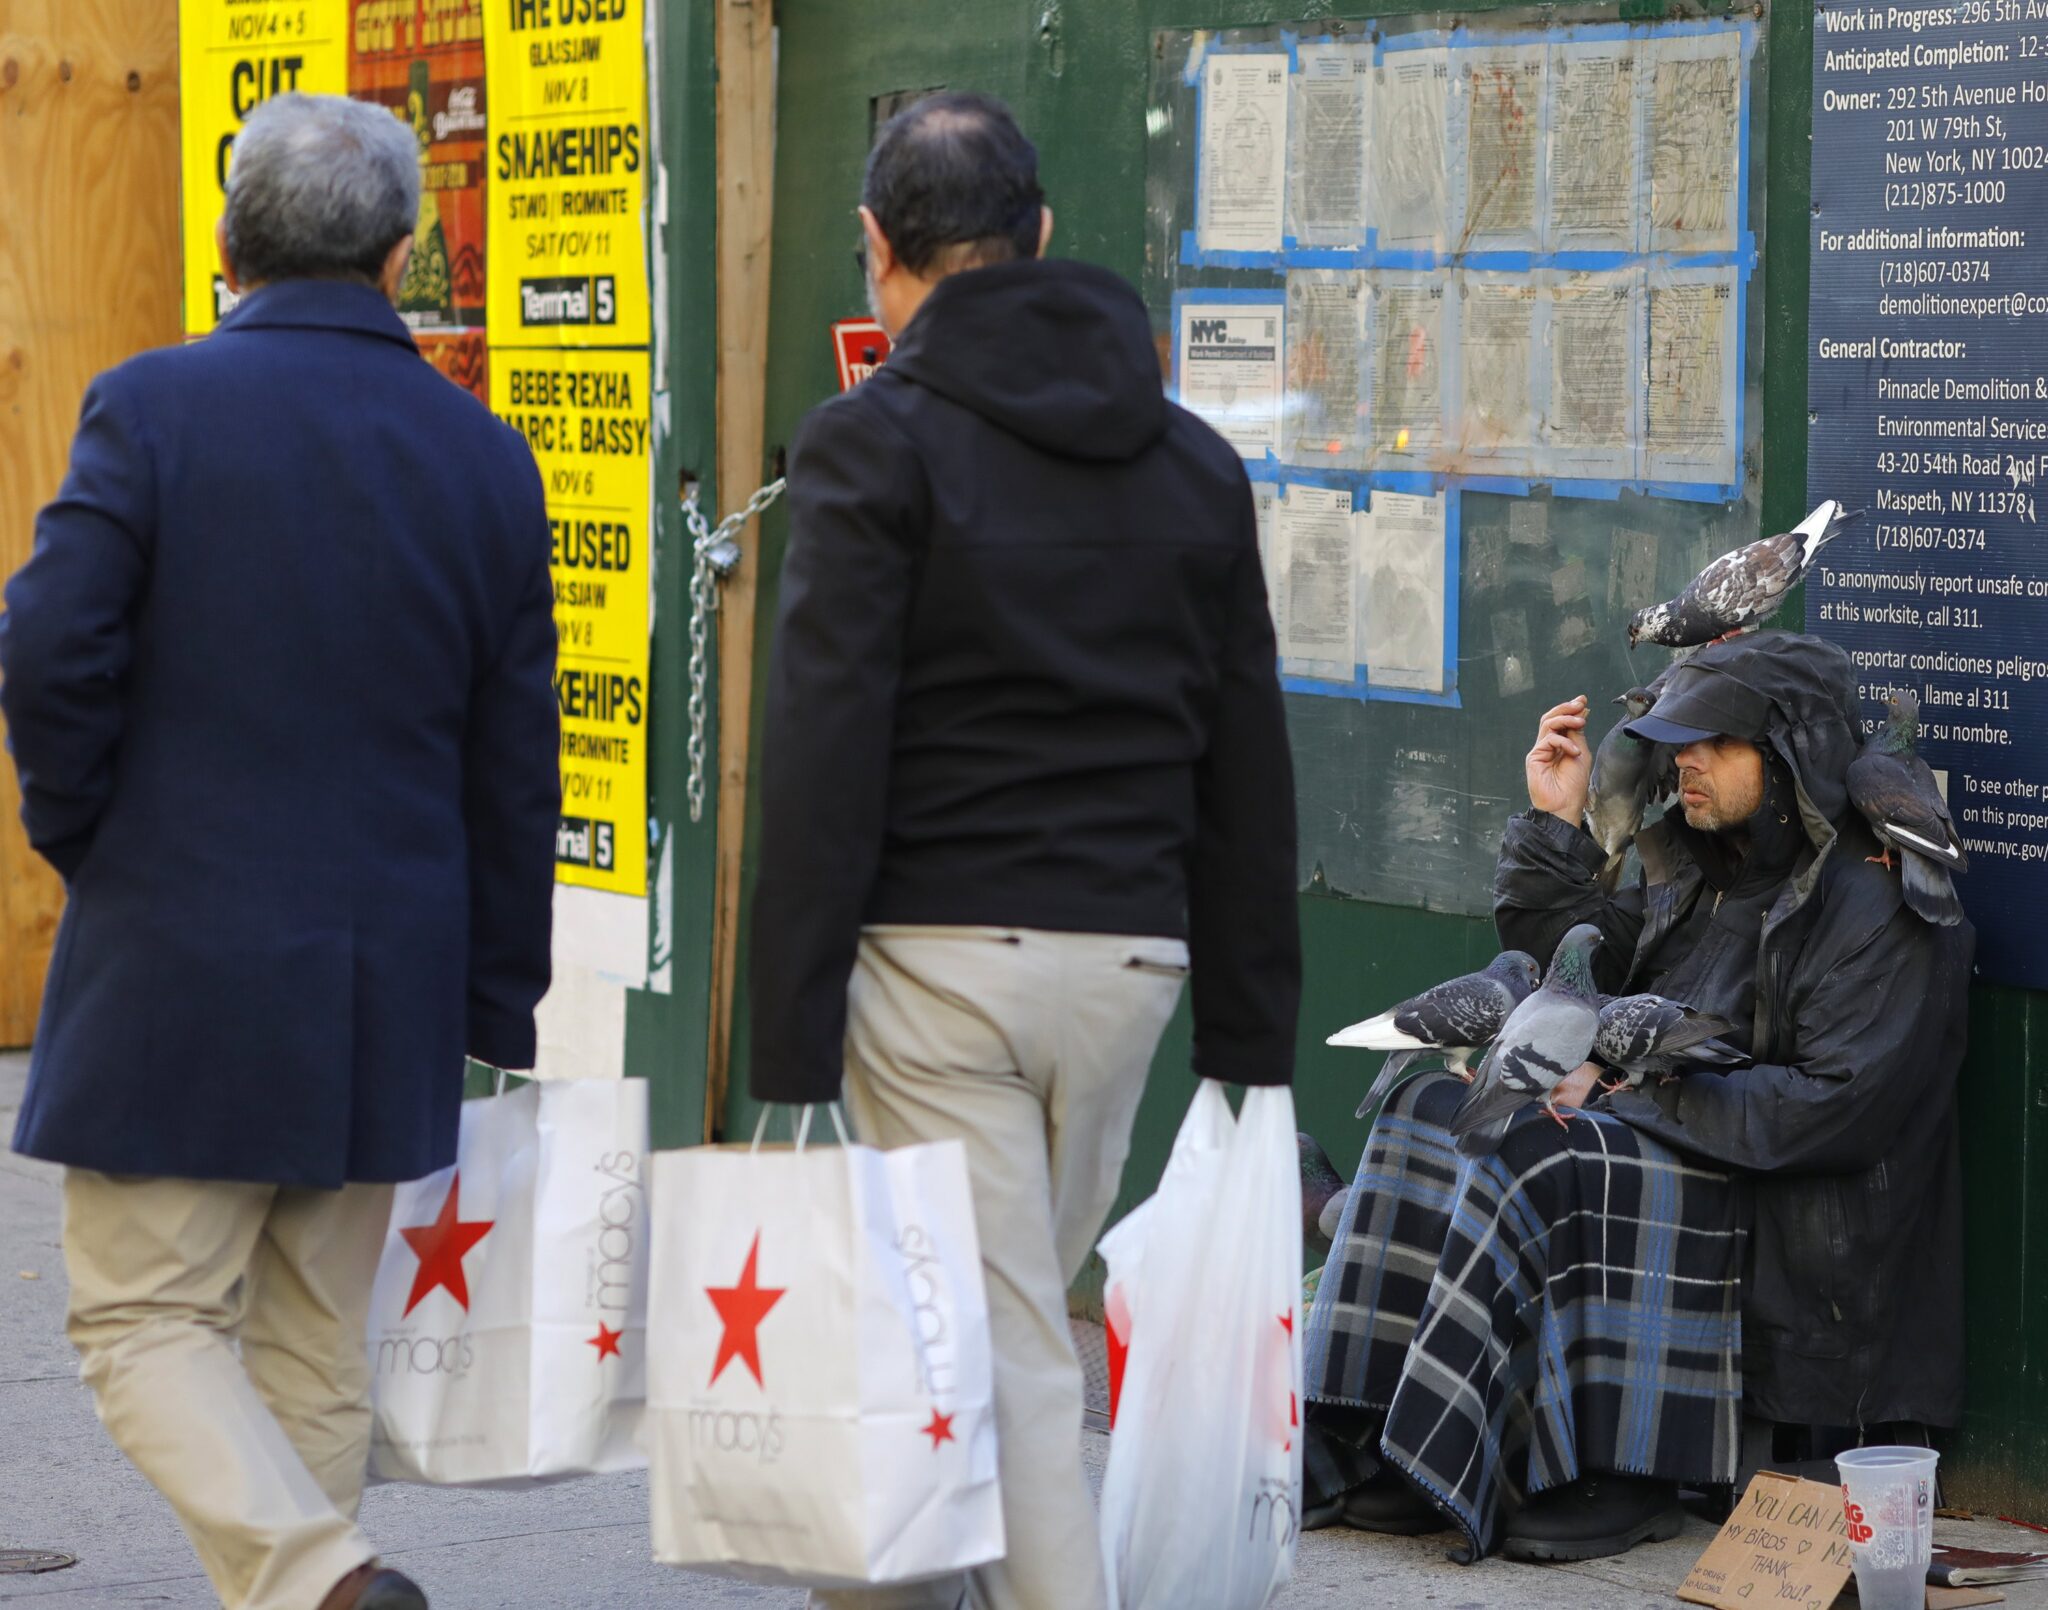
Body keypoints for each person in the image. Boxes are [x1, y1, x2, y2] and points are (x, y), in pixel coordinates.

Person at [0, 94, 558, 1610]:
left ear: (231, 243)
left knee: (139, 1318)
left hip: (176, 954)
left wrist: (81, 833)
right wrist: (495, 1001)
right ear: (404, 254)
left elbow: (48, 650)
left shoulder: (148, 408)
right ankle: (330, 1580)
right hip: (390, 974)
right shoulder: (486, 457)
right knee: (314, 1345)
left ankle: (322, 1575)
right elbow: (518, 763)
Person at [746, 92, 1300, 1610]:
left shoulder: (871, 451)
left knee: (1004, 1361)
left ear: (879, 253)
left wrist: (785, 1040)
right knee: (972, 1328)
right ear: (1043, 234)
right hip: (1128, 967)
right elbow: (1245, 759)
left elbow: (821, 750)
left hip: (934, 977)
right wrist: (1251, 1031)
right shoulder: (1195, 466)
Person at [1303, 631, 1971, 1562]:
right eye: (1677, 742)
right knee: (1431, 1111)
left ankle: (1620, 1468)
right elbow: (1563, 968)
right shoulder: (1697, 863)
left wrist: (1624, 1095)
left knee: (1542, 1143)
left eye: (1713, 745)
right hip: (1676, 1148)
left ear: (1784, 758)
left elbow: (1833, 1110)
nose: (1684, 761)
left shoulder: (1880, 905)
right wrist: (1556, 825)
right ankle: (1381, 1431)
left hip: (1777, 1216)